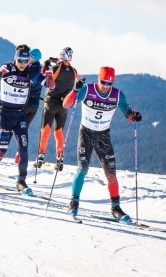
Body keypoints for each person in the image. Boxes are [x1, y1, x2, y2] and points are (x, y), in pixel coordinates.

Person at [63, 66, 142, 222]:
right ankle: (74, 202)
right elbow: (66, 104)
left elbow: (128, 114)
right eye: (103, 81)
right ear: (98, 79)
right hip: (85, 133)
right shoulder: (87, 90)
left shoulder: (117, 95)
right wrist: (74, 90)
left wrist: (134, 116)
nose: (106, 85)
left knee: (111, 173)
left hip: (103, 136)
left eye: (109, 83)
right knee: (83, 168)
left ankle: (116, 207)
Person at [0, 45, 45, 196]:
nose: (23, 63)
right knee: (1, 151)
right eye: (20, 60)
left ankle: (21, 182)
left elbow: (49, 84)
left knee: (23, 150)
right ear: (15, 58)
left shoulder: (30, 70)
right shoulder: (7, 68)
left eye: (25, 60)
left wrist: (48, 76)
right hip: (5, 115)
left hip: (20, 115)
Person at [35, 46, 79, 171]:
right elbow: (71, 77)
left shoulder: (55, 68)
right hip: (64, 104)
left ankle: (40, 156)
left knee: (45, 131)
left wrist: (47, 64)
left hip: (51, 102)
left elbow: (44, 75)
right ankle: (59, 159)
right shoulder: (74, 71)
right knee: (59, 133)